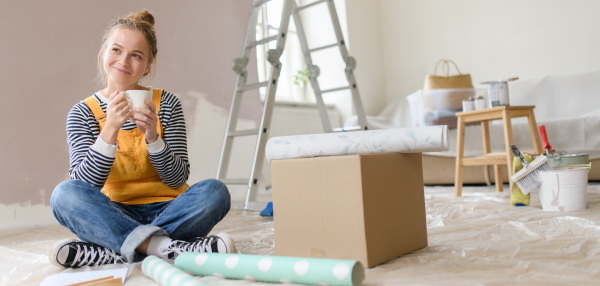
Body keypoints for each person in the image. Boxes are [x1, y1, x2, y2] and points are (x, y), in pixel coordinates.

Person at [49, 9, 234, 268]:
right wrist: (109, 129)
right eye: (116, 50)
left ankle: (116, 249)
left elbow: (177, 178)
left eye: (136, 56)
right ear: (104, 51)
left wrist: (153, 137)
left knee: (215, 192)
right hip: (115, 211)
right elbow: (84, 185)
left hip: (170, 208)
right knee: (63, 195)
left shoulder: (167, 103)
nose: (123, 61)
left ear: (148, 64)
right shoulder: (82, 113)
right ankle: (164, 247)